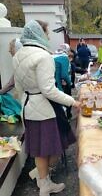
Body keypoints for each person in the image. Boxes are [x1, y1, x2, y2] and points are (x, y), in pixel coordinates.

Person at [13, 20, 81, 196]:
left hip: (28, 106)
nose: (48, 36)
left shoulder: (18, 55)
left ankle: (41, 177)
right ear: (39, 33)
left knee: (38, 149)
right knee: (53, 147)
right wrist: (72, 102)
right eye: (46, 32)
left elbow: (19, 87)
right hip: (44, 108)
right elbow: (49, 89)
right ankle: (45, 184)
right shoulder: (43, 56)